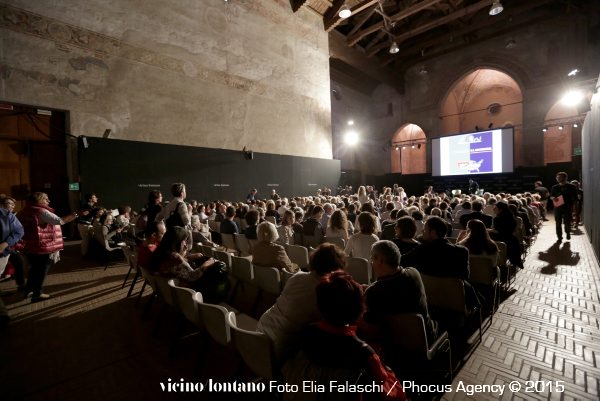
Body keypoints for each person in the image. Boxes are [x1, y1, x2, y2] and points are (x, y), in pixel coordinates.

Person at [282, 270, 407, 401]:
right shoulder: (364, 353)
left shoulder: (305, 332)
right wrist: (389, 372)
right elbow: (395, 395)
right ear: (357, 311)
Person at [257, 243, 346, 360]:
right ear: (336, 268)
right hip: (281, 346)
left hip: (261, 329)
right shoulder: (324, 291)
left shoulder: (296, 277)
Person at [364, 240, 437, 343]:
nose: (372, 262)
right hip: (423, 338)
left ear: (379, 260)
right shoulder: (414, 273)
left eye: (372, 259)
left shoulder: (373, 292)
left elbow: (371, 326)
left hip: (391, 345)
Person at [17, 192, 81, 302]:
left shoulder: (24, 210)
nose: (49, 201)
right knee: (42, 270)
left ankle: (28, 290)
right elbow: (59, 221)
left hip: (30, 244)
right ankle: (37, 294)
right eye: (46, 199)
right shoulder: (41, 211)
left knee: (34, 269)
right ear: (39, 200)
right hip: (42, 245)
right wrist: (75, 215)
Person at [0, 196, 24, 282]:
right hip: (7, 247)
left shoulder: (10, 215)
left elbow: (19, 231)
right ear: (1, 205)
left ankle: (20, 284)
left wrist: (5, 244)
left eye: (14, 204)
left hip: (6, 248)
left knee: (18, 261)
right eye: (10, 204)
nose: (13, 206)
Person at [550, 172, 578, 241]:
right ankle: (559, 237)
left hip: (568, 207)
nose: (557, 179)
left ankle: (567, 232)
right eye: (557, 177)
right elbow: (551, 196)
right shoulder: (555, 187)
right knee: (558, 223)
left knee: (567, 222)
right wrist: (553, 198)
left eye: (559, 177)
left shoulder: (572, 187)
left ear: (565, 178)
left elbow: (575, 198)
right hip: (558, 207)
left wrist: (575, 208)